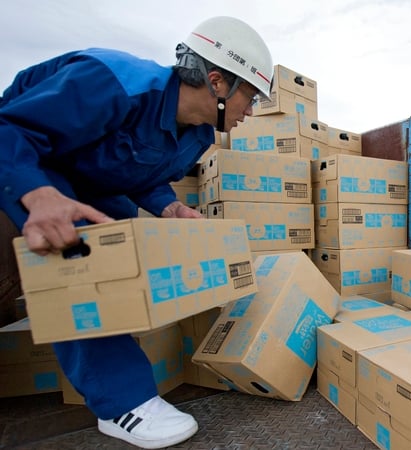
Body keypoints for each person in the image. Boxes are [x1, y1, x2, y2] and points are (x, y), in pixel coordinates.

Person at [0, 17, 273, 448]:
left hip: (89, 179)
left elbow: (139, 172)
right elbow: (10, 129)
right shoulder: (112, 81)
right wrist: (36, 192)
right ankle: (123, 403)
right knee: (83, 256)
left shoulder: (199, 134)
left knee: (126, 246)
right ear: (217, 82)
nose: (251, 111)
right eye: (251, 97)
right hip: (27, 161)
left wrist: (171, 206)